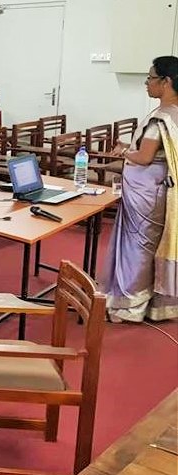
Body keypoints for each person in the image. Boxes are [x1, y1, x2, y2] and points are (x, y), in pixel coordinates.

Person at [100, 55, 178, 323]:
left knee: (137, 247)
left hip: (146, 193)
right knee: (150, 246)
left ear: (166, 82)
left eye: (150, 78)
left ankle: (129, 306)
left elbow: (144, 157)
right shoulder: (175, 115)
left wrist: (123, 151)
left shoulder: (161, 119)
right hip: (161, 189)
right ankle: (149, 302)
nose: (147, 83)